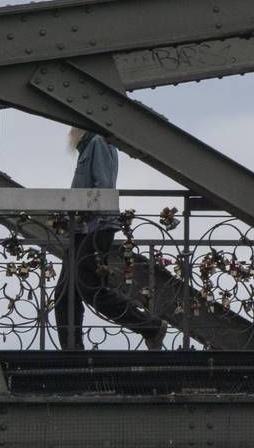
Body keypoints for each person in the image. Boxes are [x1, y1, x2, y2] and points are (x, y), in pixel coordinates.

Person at [57, 127, 166, 351]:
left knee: (89, 288)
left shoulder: (98, 142)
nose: (69, 131)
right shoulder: (89, 145)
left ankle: (150, 327)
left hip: (95, 227)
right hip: (82, 228)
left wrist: (79, 213)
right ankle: (71, 347)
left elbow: (102, 190)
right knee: (65, 291)